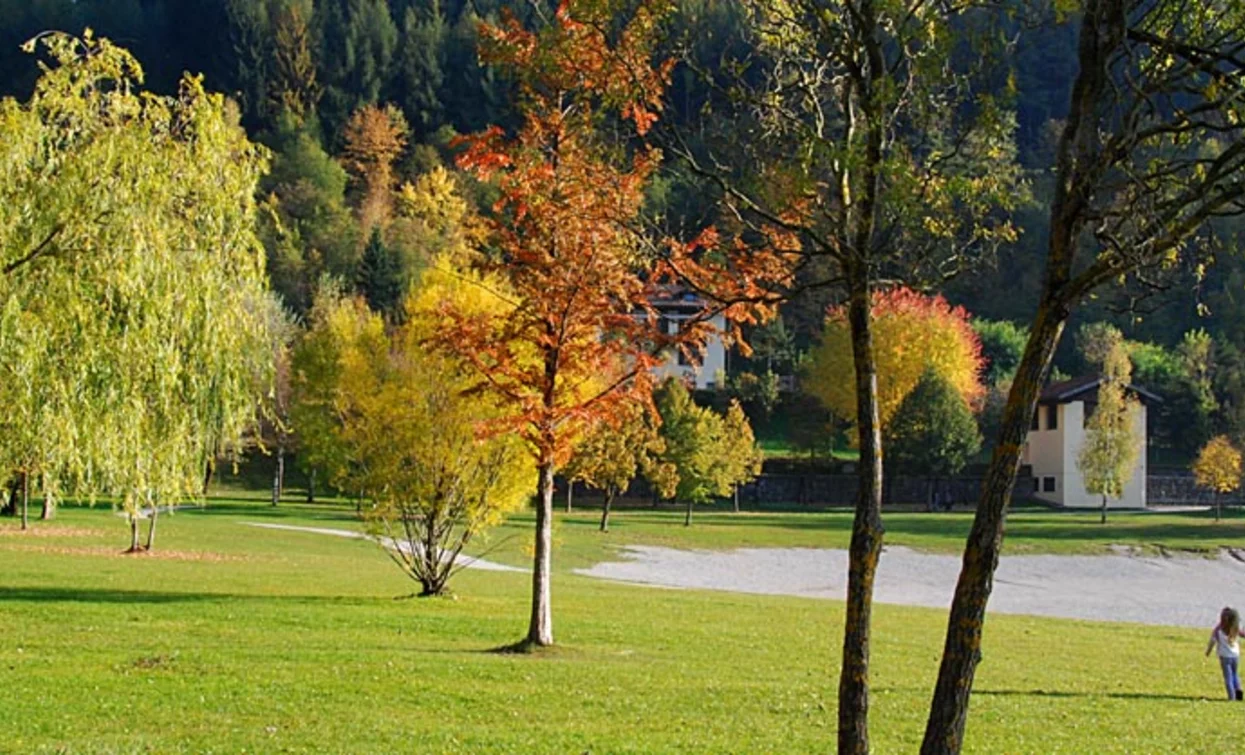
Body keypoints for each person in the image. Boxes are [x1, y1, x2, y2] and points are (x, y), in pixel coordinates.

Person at [1206, 607, 1243, 701]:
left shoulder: (1219, 630)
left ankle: (1231, 697)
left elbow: (1212, 641)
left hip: (1225, 657)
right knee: (1235, 674)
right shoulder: (1235, 629)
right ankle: (1238, 690)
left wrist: (1208, 651)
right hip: (1235, 656)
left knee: (1228, 677)